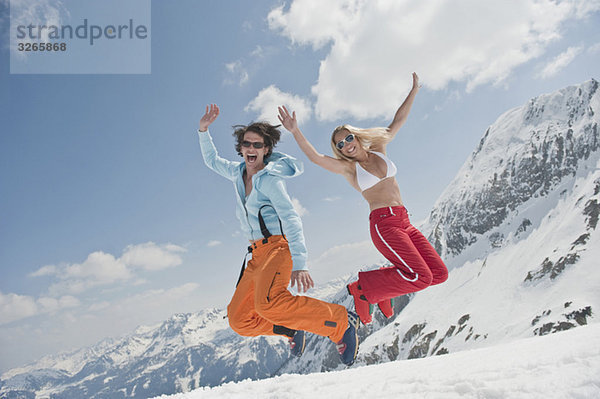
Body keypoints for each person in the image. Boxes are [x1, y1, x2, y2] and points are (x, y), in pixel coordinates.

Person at [277, 73, 448, 325]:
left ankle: (382, 287)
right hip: (384, 225)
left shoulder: (379, 149)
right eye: (340, 144)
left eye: (348, 138)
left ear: (356, 137)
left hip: (405, 221)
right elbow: (316, 157)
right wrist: (295, 131)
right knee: (420, 277)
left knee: (439, 274)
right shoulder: (348, 169)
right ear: (340, 150)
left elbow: (398, 120)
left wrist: (414, 91)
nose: (346, 144)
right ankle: (362, 289)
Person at [197, 104, 360, 365]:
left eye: (257, 145)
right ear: (241, 148)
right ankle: (289, 329)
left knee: (269, 303)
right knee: (239, 319)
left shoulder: (270, 180)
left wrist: (300, 262)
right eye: (247, 144)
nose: (251, 149)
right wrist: (204, 130)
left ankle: (340, 322)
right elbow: (211, 161)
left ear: (266, 150)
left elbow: (291, 218)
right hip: (256, 255)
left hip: (277, 249)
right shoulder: (237, 174)